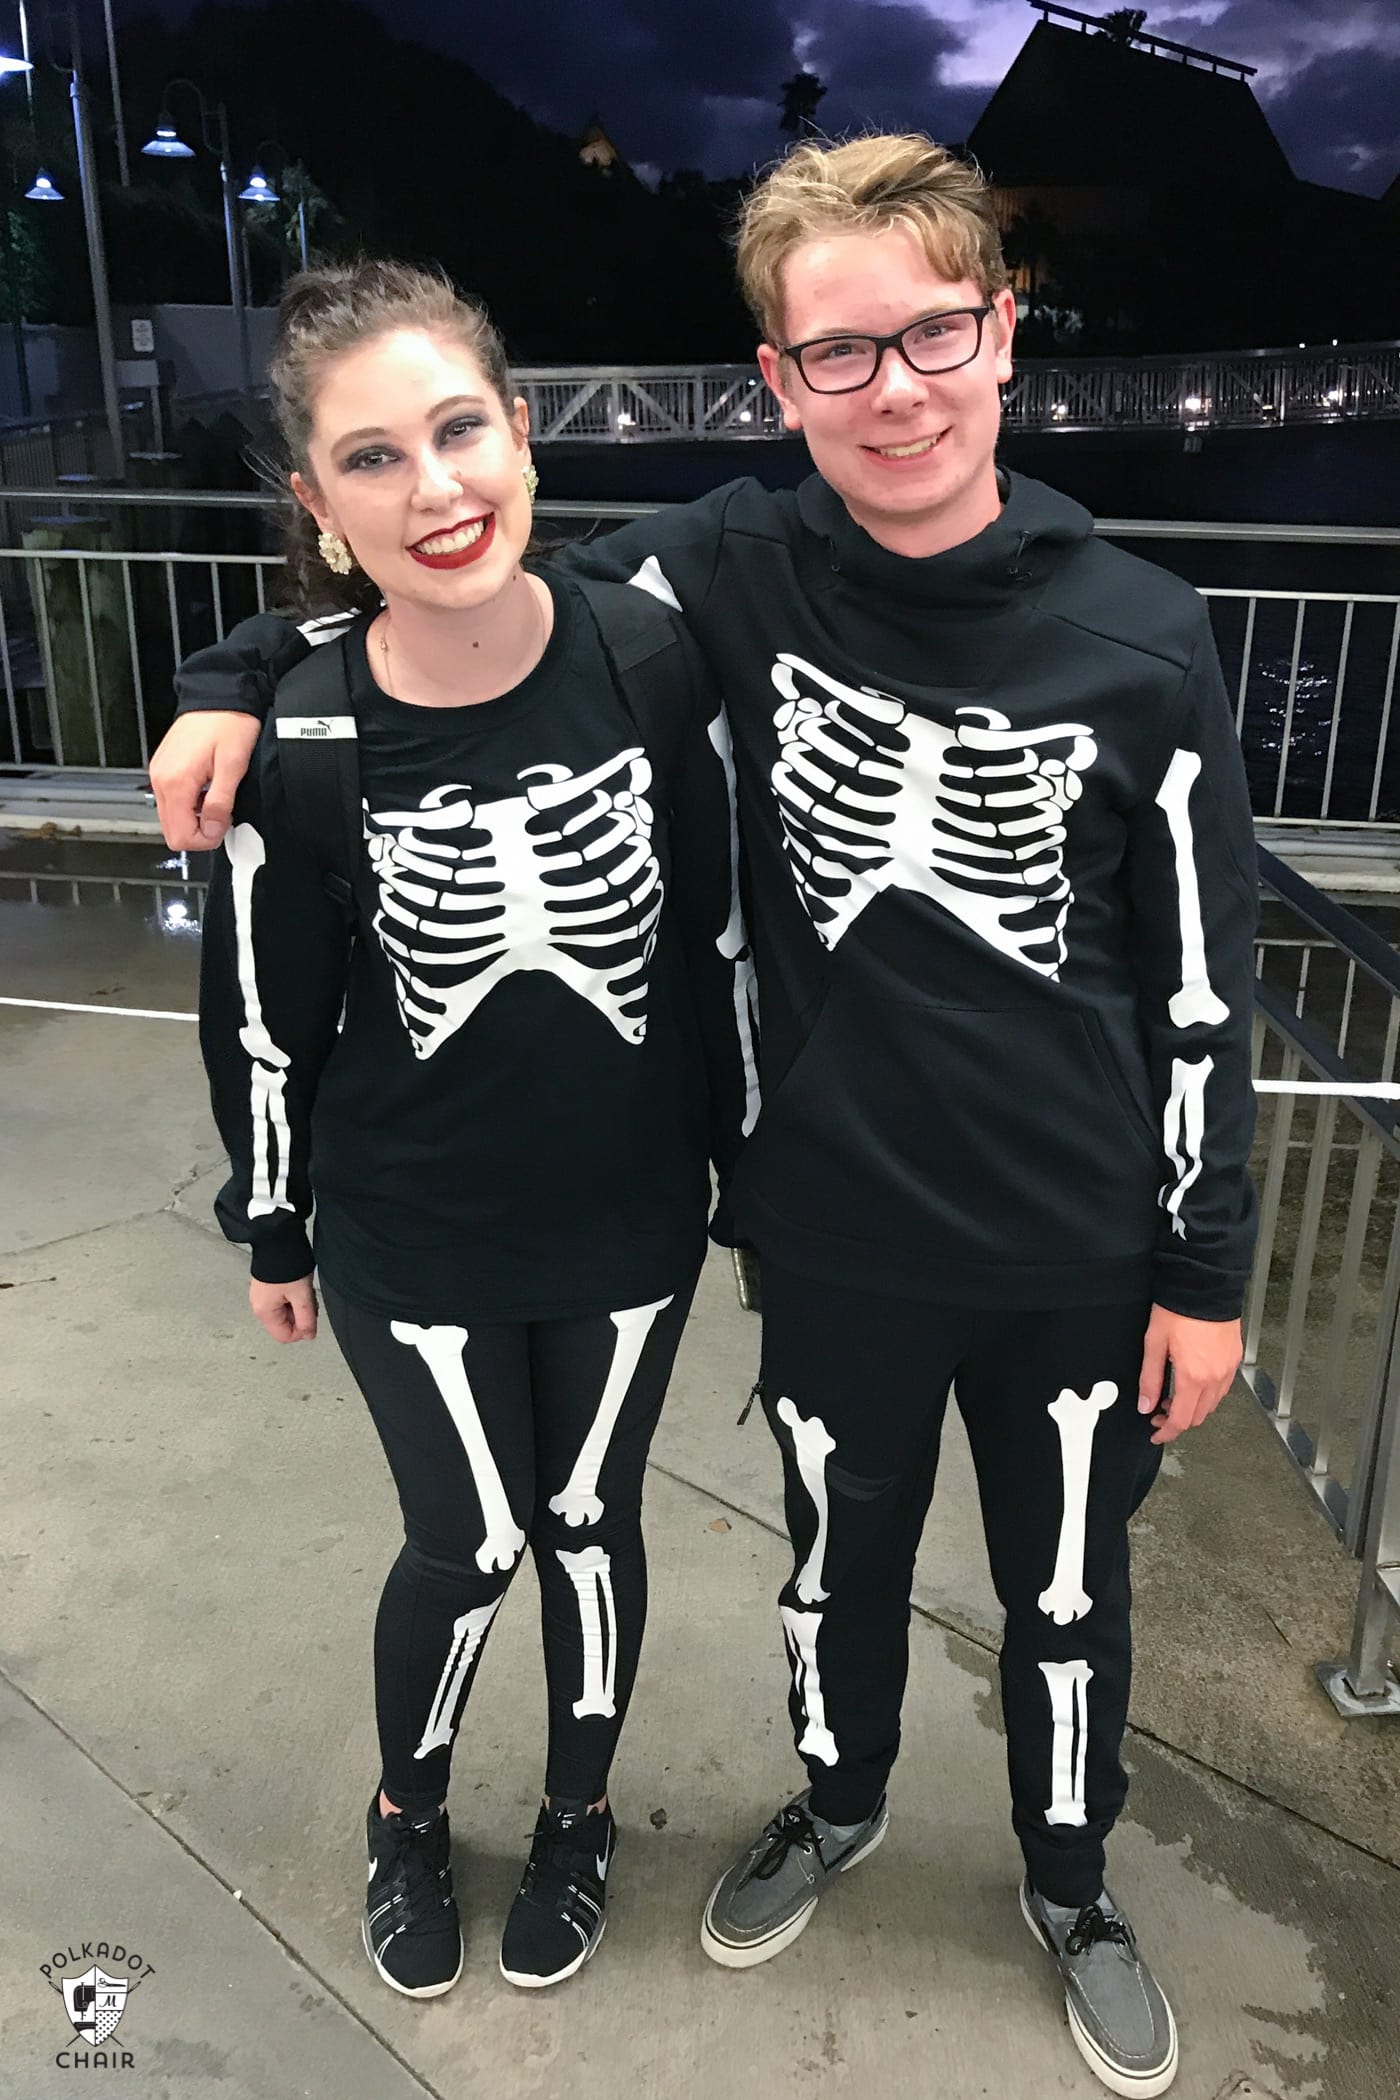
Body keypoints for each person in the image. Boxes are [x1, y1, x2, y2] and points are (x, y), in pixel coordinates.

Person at [155, 138, 1257, 2096]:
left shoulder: (1140, 633)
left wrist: (1207, 1262)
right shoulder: (728, 566)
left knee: (1069, 1594)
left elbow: (1200, 979)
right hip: (828, 1227)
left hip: (1082, 1251)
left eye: (933, 334)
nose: (894, 388)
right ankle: (831, 1811)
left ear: (1003, 336)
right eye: (840, 353)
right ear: (776, 381)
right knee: (834, 1566)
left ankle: (1073, 1886)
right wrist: (236, 669)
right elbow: (456, 587)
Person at [192, 259, 751, 2002]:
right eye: (372, 461)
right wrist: (272, 1225)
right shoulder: (298, 736)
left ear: (519, 434)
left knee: (592, 1523)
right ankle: (406, 1806)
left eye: (457, 432)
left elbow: (715, 942)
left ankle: (578, 1809)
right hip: (407, 1221)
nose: (432, 490)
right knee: (470, 1537)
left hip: (627, 1214)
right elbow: (262, 1017)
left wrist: (745, 1172)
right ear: (316, 505)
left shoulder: (655, 659)